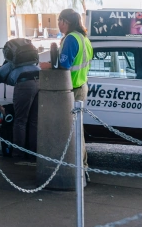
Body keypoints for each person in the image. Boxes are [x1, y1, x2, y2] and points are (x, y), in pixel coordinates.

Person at [41, 9, 93, 170]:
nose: (58, 24)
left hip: (71, 90)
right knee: (77, 130)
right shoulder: (84, 38)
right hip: (81, 86)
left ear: (66, 22)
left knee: (71, 130)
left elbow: (64, 65)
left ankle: (77, 168)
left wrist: (47, 66)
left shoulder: (70, 39)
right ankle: (81, 166)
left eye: (59, 20)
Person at [0, 40, 39, 159]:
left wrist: (0, 107)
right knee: (34, 122)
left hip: (24, 84)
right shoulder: (32, 62)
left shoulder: (7, 66)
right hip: (40, 81)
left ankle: (18, 155)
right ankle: (33, 155)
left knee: (20, 121)